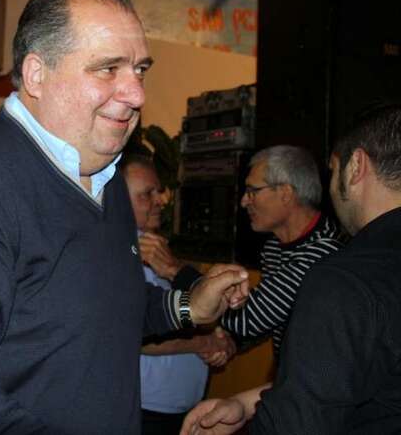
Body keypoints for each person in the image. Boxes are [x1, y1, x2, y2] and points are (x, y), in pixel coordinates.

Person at [0, 0, 249, 434]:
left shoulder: (105, 175)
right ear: (37, 74)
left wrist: (188, 307)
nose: (136, 94)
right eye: (108, 69)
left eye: (139, 70)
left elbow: (101, 308)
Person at [181, 105, 401, 434]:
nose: (244, 201)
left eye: (333, 171)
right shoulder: (278, 250)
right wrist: (245, 401)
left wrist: (177, 271)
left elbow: (300, 419)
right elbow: (350, 377)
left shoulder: (336, 270)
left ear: (356, 166)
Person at [143, 145, 343, 360]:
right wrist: (230, 343)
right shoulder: (274, 247)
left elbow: (248, 319)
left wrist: (175, 270)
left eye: (252, 191)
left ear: (285, 193)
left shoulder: (324, 252)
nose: (244, 201)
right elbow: (270, 317)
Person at [122, 153, 237, 435]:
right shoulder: (119, 254)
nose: (160, 200)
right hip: (148, 409)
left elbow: (192, 309)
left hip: (180, 407)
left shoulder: (157, 247)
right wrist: (204, 343)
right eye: (146, 194)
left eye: (158, 191)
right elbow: (134, 332)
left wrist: (220, 338)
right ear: (118, 202)